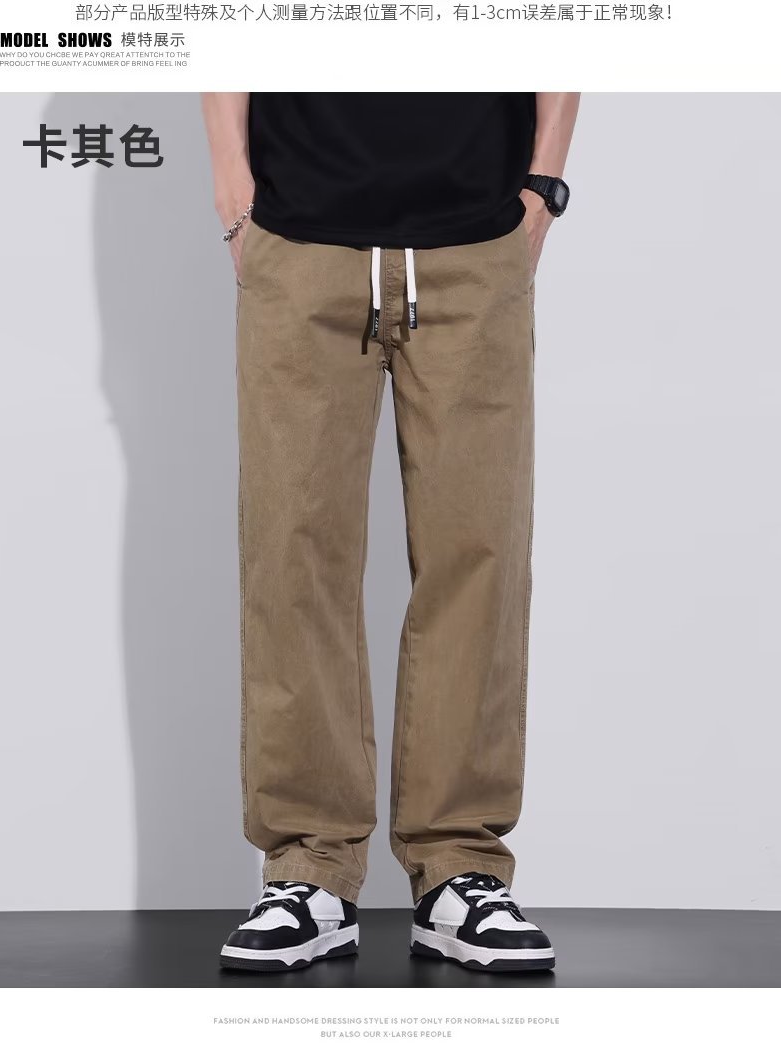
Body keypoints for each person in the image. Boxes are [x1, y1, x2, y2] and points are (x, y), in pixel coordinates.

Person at [202, 93, 580, 974]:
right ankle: (308, 868)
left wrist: (544, 187)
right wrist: (234, 191)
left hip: (476, 240)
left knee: (478, 555)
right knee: (293, 556)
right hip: (300, 240)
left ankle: (459, 864)